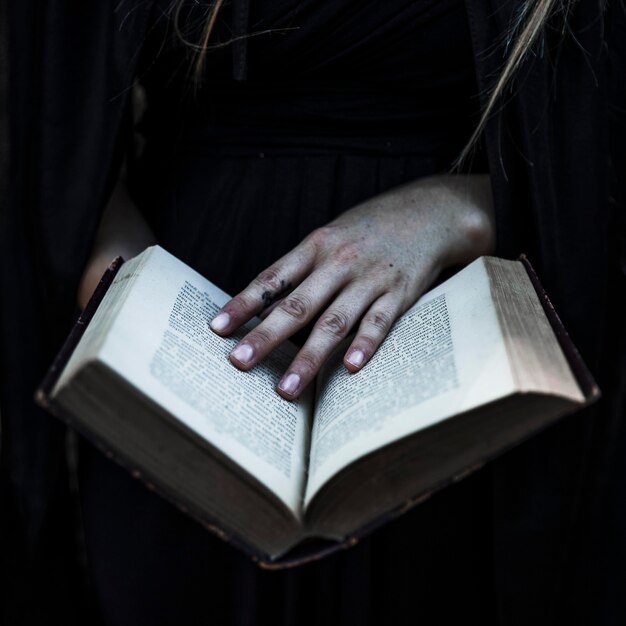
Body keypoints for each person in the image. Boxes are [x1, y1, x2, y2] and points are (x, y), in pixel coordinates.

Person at [1, 0, 624, 624]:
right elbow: (51, 131)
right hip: (174, 412)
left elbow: (595, 145)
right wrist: (128, 310)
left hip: (447, 405)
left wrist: (464, 210)